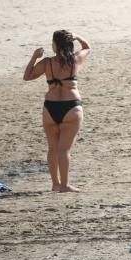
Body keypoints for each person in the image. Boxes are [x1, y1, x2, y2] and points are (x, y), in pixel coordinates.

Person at [23, 30, 91, 192]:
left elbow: (28, 76)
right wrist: (78, 36)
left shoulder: (47, 63)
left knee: (53, 149)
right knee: (64, 150)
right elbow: (88, 47)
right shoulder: (74, 60)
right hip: (71, 107)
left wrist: (34, 57)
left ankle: (55, 184)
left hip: (50, 107)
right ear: (69, 45)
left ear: (55, 46)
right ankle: (65, 185)